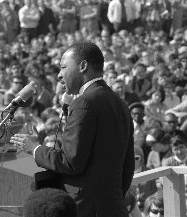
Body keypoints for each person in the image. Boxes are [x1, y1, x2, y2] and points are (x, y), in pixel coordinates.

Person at [11, 41, 135, 217]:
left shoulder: (84, 103)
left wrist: (34, 148)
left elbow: (70, 162)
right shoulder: (118, 101)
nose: (59, 76)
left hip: (87, 209)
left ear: (83, 66)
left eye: (63, 68)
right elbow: (128, 165)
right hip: (113, 206)